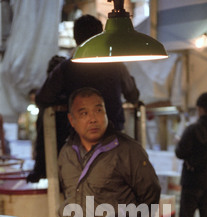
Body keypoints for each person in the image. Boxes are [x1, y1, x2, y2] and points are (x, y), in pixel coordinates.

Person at [58, 87, 161, 217]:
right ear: (72, 120)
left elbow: (151, 192)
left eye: (98, 110)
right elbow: (66, 192)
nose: (93, 119)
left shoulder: (128, 150)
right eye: (84, 113)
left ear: (106, 113)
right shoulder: (66, 152)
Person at [31, 15, 139, 182]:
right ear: (101, 35)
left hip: (81, 146)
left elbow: (43, 98)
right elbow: (133, 94)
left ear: (75, 38)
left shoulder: (66, 68)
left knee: (79, 196)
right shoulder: (117, 65)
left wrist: (63, 101)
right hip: (114, 141)